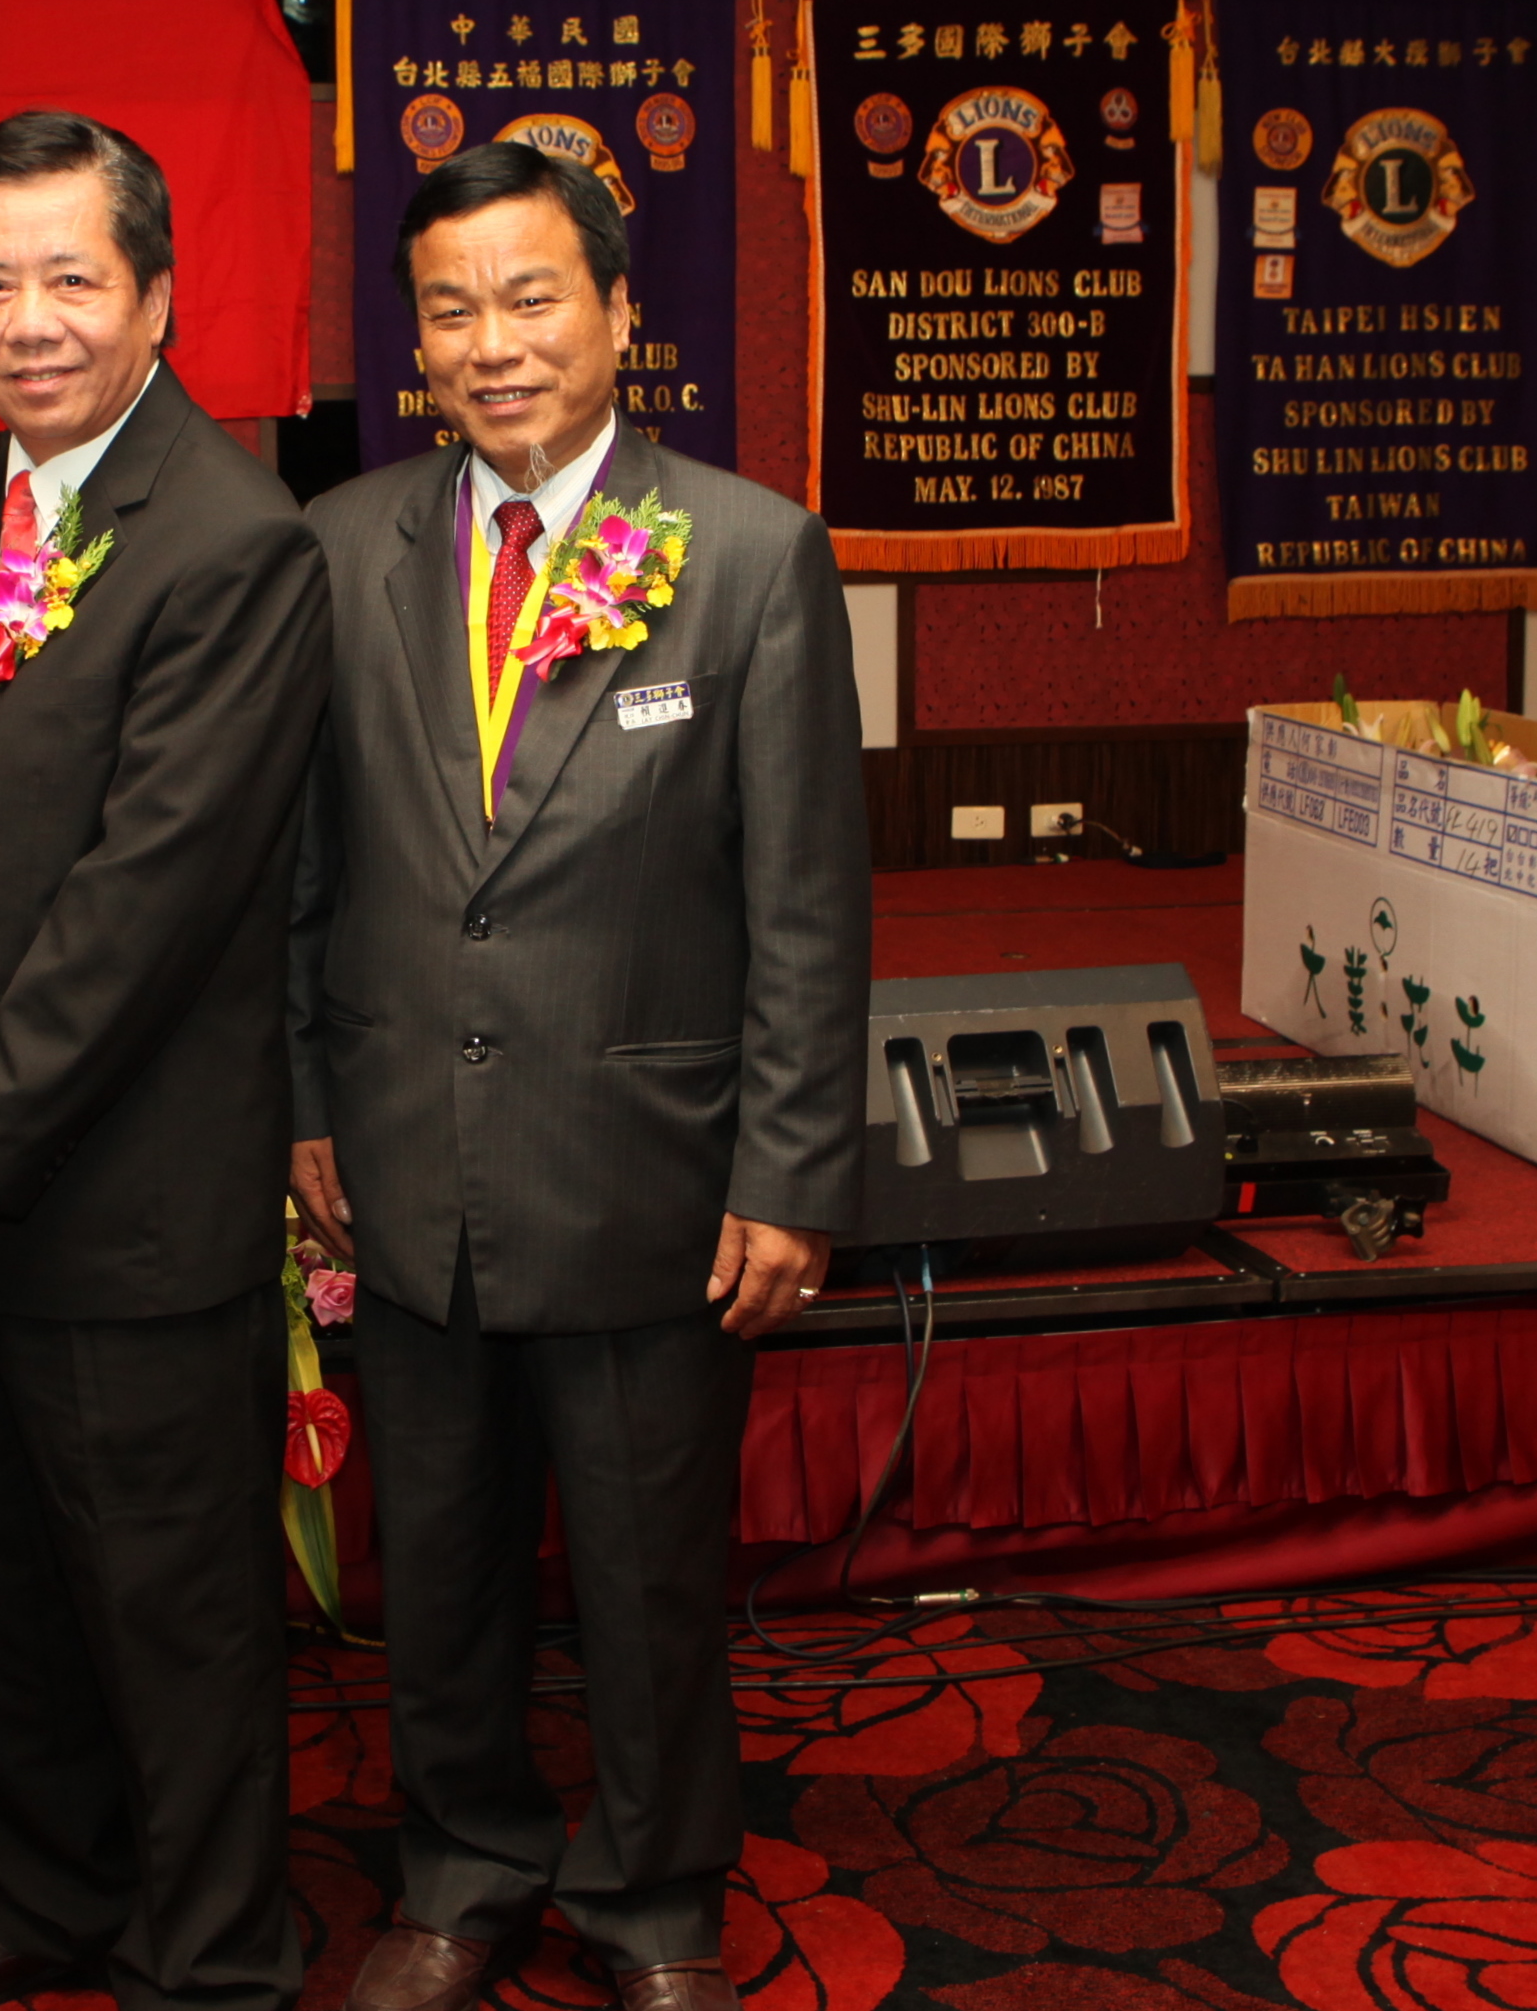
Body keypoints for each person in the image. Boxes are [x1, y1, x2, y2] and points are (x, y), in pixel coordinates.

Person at [288, 141, 869, 2011]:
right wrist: (306, 1104)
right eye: (450, 310)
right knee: (438, 1562)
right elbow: (301, 870)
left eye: (532, 297)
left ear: (619, 311)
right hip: (407, 1156)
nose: (494, 344)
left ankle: (654, 1895)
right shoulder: (338, 549)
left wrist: (789, 1172)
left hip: (650, 1163)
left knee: (644, 1571)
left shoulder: (751, 554)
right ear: (414, 345)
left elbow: (804, 898)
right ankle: (459, 1869)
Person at [0, 111, 333, 2011]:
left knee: (167, 1617)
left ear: (157, 296)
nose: (28, 320)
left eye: (70, 278)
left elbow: (148, 901)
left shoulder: (229, 538)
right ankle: (50, 1895)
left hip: (111, 1197)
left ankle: (214, 1961)